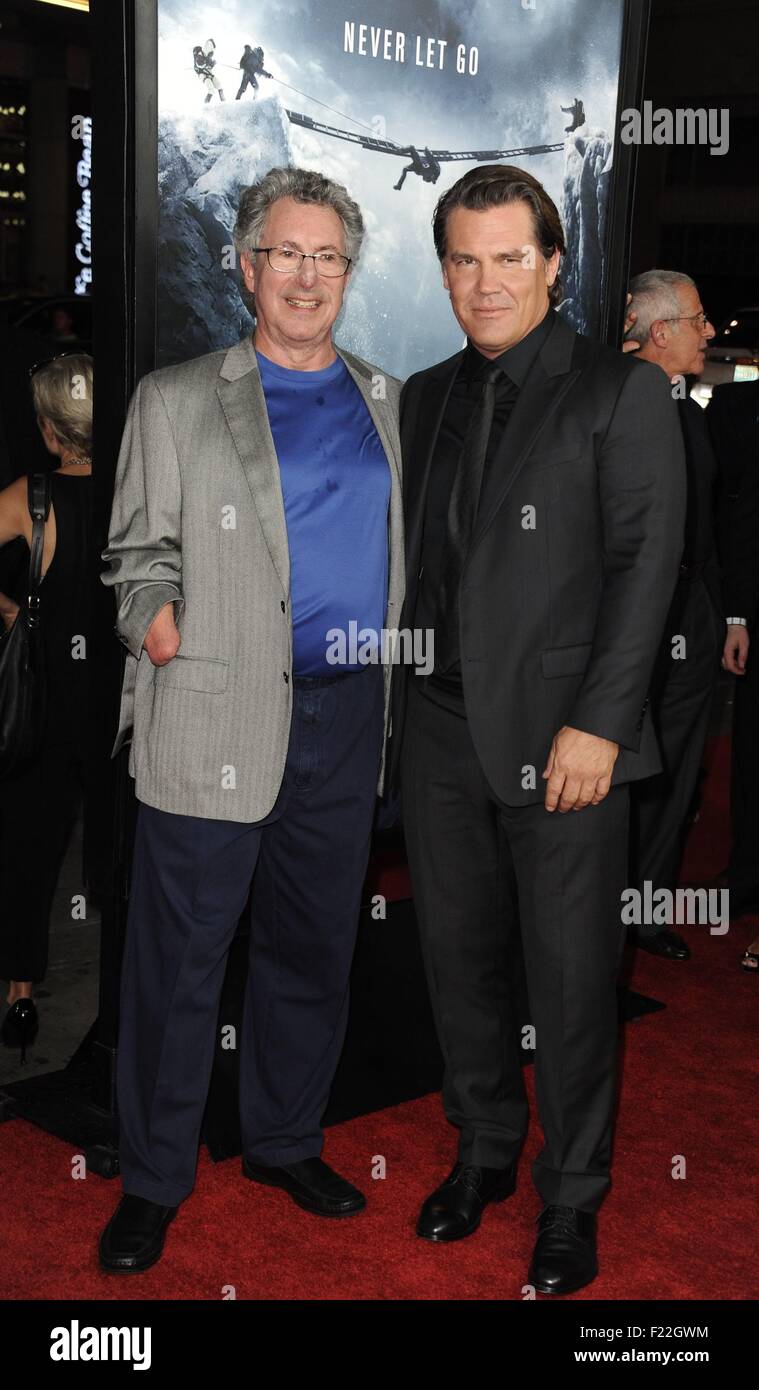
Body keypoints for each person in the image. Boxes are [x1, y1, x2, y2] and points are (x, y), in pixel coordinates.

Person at [98, 166, 404, 1273]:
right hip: (213, 710)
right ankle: (152, 1178)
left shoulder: (386, 399)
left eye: (328, 256)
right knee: (180, 961)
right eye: (287, 252)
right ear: (246, 265)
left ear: (348, 271)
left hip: (346, 714)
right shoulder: (177, 397)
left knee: (313, 950)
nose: (307, 275)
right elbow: (134, 552)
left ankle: (282, 1138)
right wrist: (155, 620)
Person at [389, 164, 685, 1295]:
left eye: (511, 256)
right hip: (440, 729)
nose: (486, 280)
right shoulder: (424, 395)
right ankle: (484, 1152)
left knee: (567, 980)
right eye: (465, 258)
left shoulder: (618, 392)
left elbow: (643, 566)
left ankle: (572, 1197)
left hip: (568, 742)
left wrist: (601, 727)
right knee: (455, 963)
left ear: (554, 265)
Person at [624, 270, 721, 960]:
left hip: (691, 614)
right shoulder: (600, 402)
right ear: (661, 331)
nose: (710, 333)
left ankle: (644, 911)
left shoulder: (690, 413)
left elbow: (709, 521)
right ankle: (591, 913)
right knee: (615, 765)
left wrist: (723, 617)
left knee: (676, 768)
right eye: (698, 321)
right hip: (625, 616)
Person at [0, 353, 93, 1060]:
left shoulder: (26, 499)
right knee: (120, 856)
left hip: (44, 703)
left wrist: (13, 612)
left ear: (49, 430)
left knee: (31, 854)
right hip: (123, 705)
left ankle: (21, 998)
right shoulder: (138, 489)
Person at [708, 377, 759, 965]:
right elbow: (742, 519)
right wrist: (738, 615)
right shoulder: (738, 408)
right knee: (750, 754)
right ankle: (746, 872)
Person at [193, 39, 225, 104]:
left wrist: (213, 63)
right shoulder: (200, 55)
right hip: (202, 74)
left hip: (209, 73)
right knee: (211, 89)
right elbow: (200, 65)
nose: (212, 53)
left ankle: (223, 101)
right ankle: (206, 104)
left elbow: (210, 66)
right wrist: (209, 64)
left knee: (219, 85)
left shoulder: (208, 56)